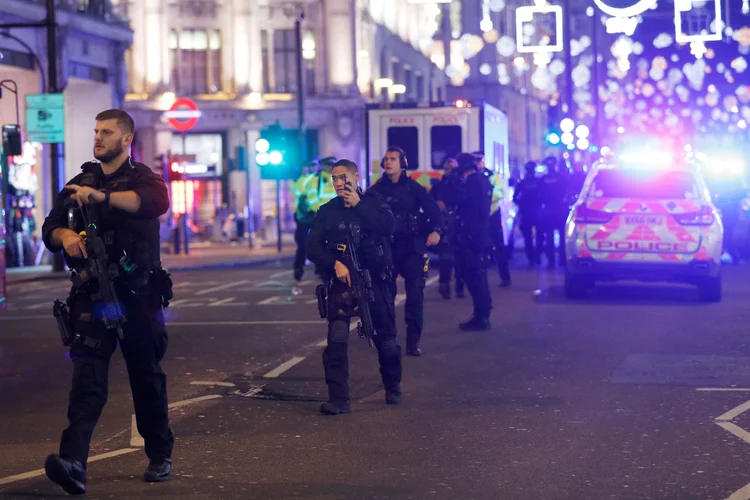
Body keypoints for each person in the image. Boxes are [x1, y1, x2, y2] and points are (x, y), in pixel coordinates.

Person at [41, 109, 174, 495]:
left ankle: (159, 453)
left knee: (146, 377)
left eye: (107, 132)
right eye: (96, 130)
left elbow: (153, 202)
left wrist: (102, 198)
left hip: (138, 296)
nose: (98, 137)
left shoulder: (143, 179)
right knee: (87, 380)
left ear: (127, 139)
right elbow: (50, 227)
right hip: (94, 296)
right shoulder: (80, 181)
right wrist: (65, 235)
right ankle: (73, 463)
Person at [307, 159, 402, 415]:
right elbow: (312, 248)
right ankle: (339, 399)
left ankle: (392, 387)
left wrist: (360, 206)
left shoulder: (374, 202)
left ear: (356, 177)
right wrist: (335, 263)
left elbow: (389, 227)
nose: (339, 183)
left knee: (386, 338)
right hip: (342, 282)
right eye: (335, 179)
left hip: (375, 281)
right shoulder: (327, 211)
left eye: (343, 177)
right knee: (337, 338)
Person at [368, 146, 443, 357]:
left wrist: (436, 231)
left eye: (393, 159)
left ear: (403, 163)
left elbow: (434, 211)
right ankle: (388, 338)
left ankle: (413, 341)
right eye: (386, 159)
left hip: (411, 247)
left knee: (415, 295)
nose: (389, 162)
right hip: (386, 248)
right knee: (385, 296)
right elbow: (363, 215)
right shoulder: (376, 191)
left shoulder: (413, 188)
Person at [453, 153, 493, 331]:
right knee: (479, 275)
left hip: (471, 236)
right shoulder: (483, 181)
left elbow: (460, 202)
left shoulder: (471, 184)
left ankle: (481, 317)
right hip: (480, 234)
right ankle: (482, 314)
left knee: (474, 276)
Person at [476, 151, 511, 287]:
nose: (478, 163)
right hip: (478, 216)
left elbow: (499, 192)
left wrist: (485, 197)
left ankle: (505, 277)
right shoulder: (471, 176)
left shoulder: (492, 176)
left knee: (499, 247)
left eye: (480, 160)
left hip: (492, 214)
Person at [432, 157, 464, 300]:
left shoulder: (462, 184)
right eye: (448, 168)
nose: (450, 171)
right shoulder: (439, 185)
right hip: (445, 223)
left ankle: (460, 286)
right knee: (446, 256)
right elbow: (430, 200)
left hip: (460, 224)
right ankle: (444, 285)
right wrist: (437, 203)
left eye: (453, 168)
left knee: (460, 257)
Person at [292, 159, 319, 283]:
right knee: (302, 245)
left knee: (318, 243)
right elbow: (298, 195)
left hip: (312, 215)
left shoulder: (318, 179)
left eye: (313, 165)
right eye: (309, 166)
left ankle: (318, 268)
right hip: (303, 215)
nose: (311, 168)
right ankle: (299, 268)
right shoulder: (303, 180)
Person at [513, 161, 544, 266]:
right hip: (538, 212)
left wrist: (522, 203)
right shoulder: (539, 181)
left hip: (526, 212)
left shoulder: (522, 182)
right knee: (540, 235)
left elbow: (515, 198)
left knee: (528, 237)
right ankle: (537, 256)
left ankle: (531, 258)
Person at [539, 156, 568, 268]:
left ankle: (551, 261)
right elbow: (566, 192)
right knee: (561, 236)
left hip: (548, 210)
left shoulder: (543, 179)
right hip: (560, 210)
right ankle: (562, 260)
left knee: (549, 236)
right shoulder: (562, 177)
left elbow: (539, 195)